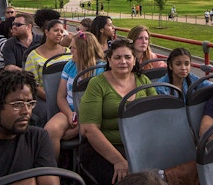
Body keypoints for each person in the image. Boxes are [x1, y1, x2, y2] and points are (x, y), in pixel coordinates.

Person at [79, 39, 157, 185]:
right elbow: (89, 129)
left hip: (140, 145)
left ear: (134, 60)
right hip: (106, 148)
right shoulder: (97, 84)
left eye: (128, 57)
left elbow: (157, 114)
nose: (123, 61)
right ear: (109, 60)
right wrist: (118, 161)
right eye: (117, 57)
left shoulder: (143, 80)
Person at [43, 31, 105, 159]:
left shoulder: (101, 70)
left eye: (73, 48)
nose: (70, 50)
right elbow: (61, 96)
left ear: (84, 50)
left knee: (69, 134)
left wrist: (82, 122)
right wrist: (69, 114)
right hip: (70, 110)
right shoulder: (70, 65)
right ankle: (53, 170)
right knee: (50, 131)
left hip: (93, 116)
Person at [24, 20, 71, 124]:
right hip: (44, 97)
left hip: (67, 96)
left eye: (61, 31)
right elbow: (31, 83)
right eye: (55, 30)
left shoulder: (69, 53)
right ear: (46, 32)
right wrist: (51, 98)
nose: (59, 34)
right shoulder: (33, 56)